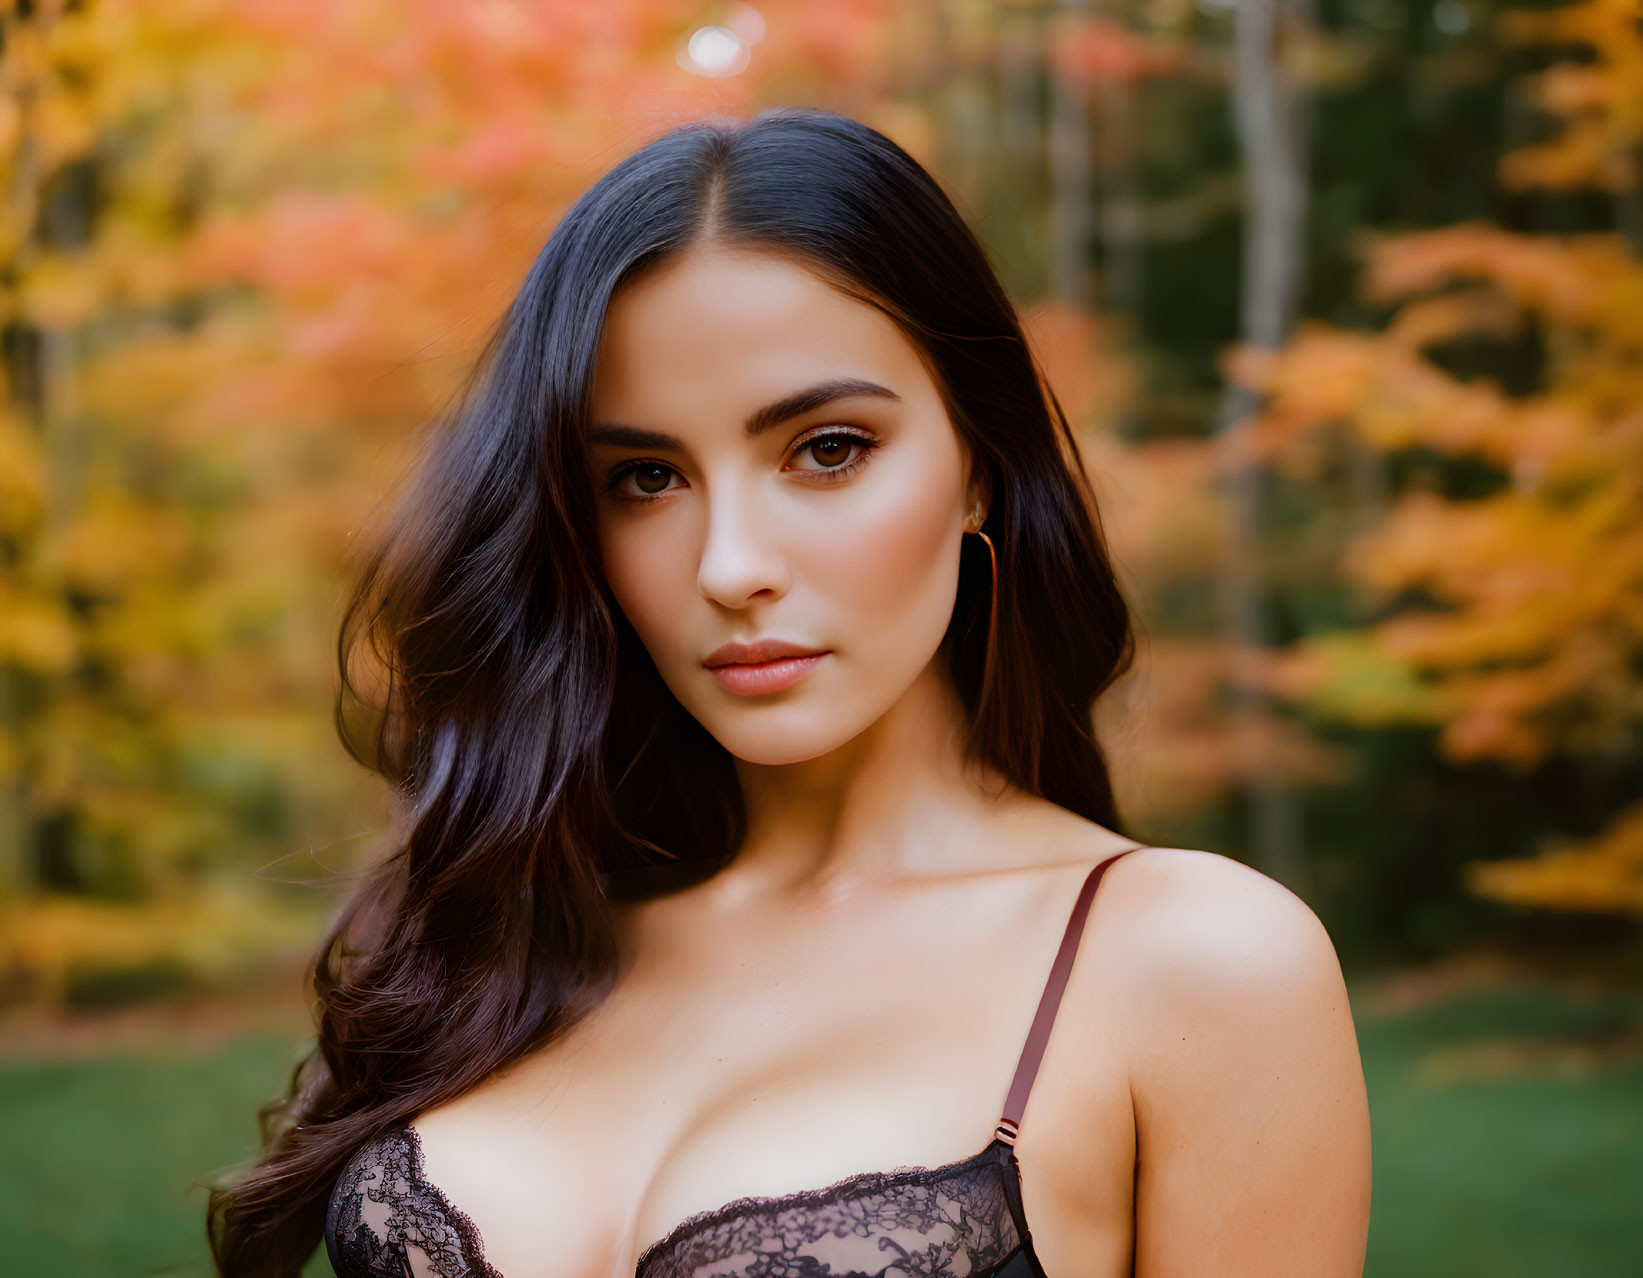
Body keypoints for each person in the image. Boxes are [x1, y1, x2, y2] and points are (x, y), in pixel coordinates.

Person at [206, 106, 1371, 1278]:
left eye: (826, 448)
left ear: (977, 466)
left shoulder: (1189, 961)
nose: (728, 566)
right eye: (645, 477)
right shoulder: (519, 931)